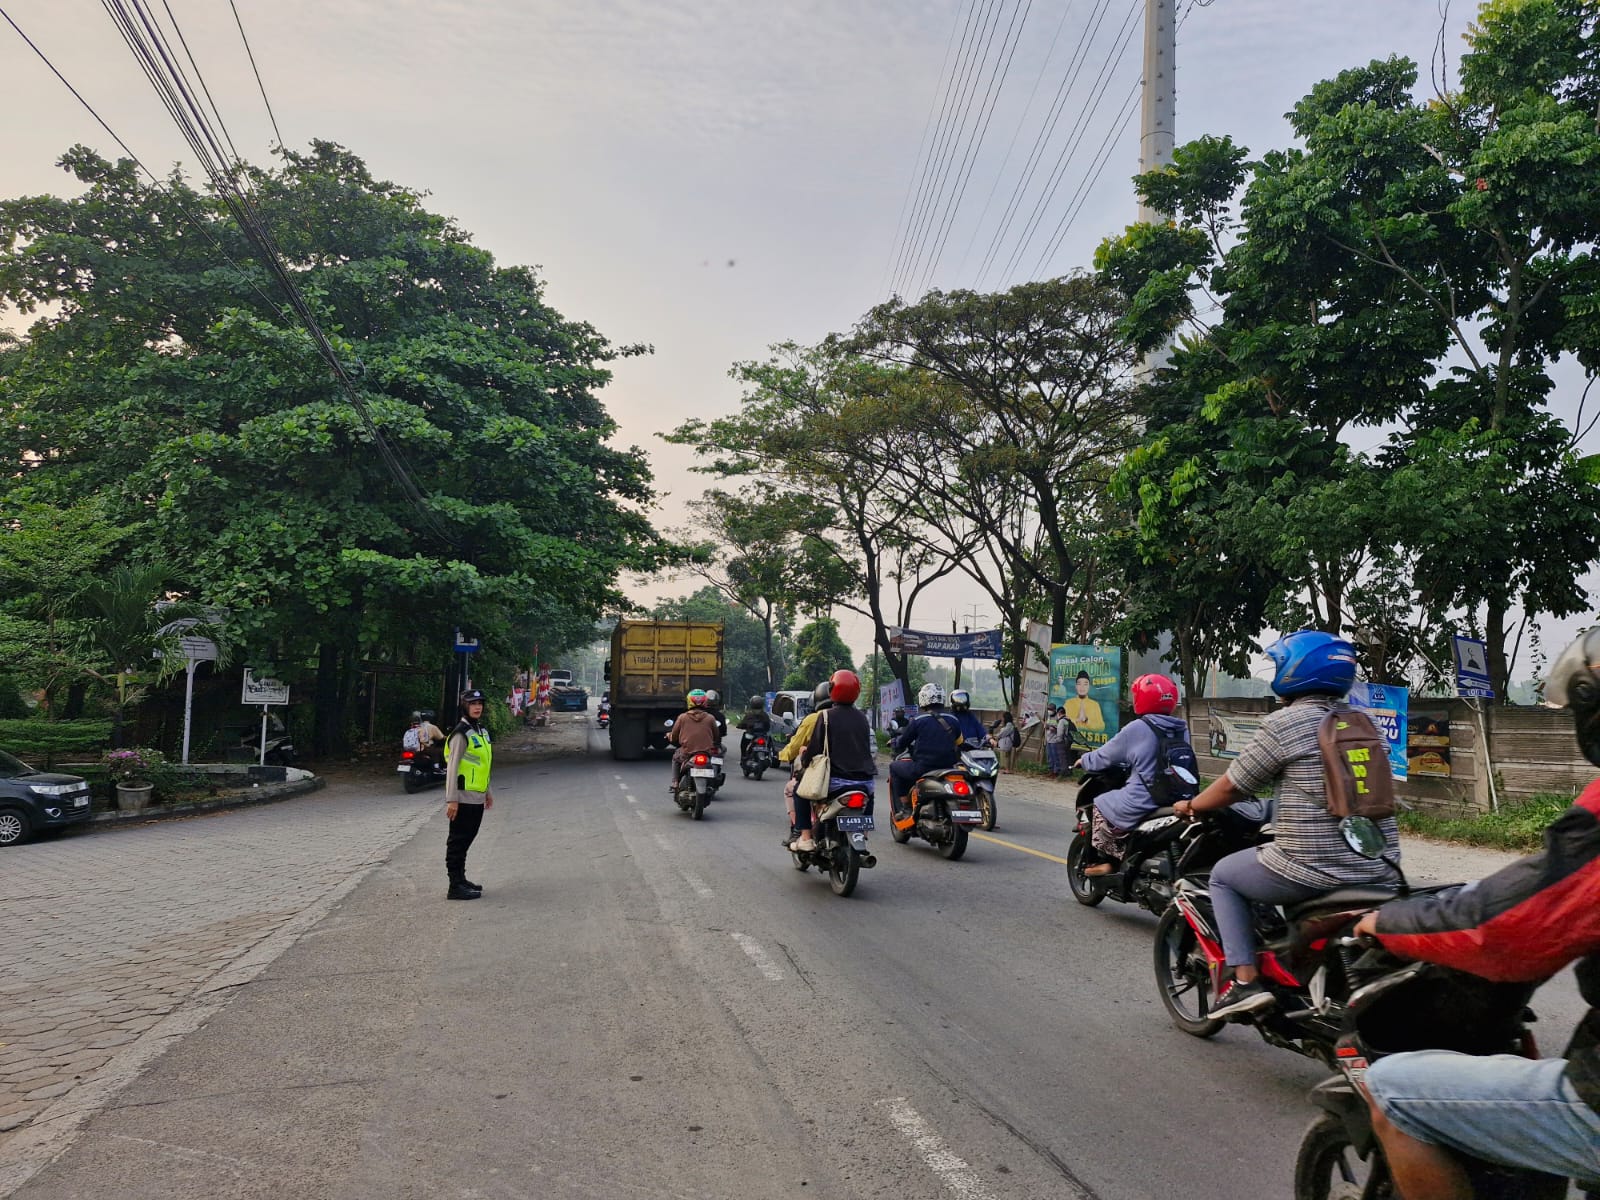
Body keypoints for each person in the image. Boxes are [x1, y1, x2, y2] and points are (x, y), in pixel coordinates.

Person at [1349, 627, 1600, 1198]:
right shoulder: (1356, 731)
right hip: (1374, 865)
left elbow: (1503, 927)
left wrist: (1388, 922)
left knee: (1391, 1091)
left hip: (1331, 876)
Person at [1171, 630, 1402, 1020]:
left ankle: (1245, 982)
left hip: (1313, 867)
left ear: (1294, 671)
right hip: (1381, 865)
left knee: (1224, 876)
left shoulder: (1286, 723)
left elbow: (1233, 786)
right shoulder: (1364, 722)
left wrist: (1192, 805)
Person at [1074, 674, 1190, 876]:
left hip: (1145, 798)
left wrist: (1084, 760)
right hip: (1180, 795)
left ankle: (1107, 860)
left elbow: (1105, 755)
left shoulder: (1138, 728)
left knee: (1100, 803)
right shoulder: (1181, 728)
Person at [791, 669, 878, 849]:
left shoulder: (826, 716)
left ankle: (805, 838)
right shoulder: (863, 718)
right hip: (865, 782)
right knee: (869, 796)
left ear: (832, 689)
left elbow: (815, 748)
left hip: (836, 782)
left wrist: (804, 758)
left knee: (799, 792)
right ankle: (863, 831)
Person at [444, 689, 496, 900]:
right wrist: (452, 799)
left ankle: (461, 879)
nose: (477, 707)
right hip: (463, 797)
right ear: (464, 706)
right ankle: (455, 886)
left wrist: (488, 791)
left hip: (477, 796)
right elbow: (452, 767)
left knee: (467, 839)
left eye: (480, 703)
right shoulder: (460, 734)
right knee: (457, 842)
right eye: (473, 703)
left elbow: (484, 764)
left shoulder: (481, 731)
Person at [889, 683, 964, 818]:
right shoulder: (954, 720)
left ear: (923, 699)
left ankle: (905, 807)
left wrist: (895, 742)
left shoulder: (918, 720)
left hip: (923, 768)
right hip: (948, 768)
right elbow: (960, 742)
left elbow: (903, 741)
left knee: (894, 767)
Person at [779, 680, 834, 850]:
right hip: (854, 774)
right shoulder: (854, 717)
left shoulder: (814, 719)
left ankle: (801, 832)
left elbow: (797, 747)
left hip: (821, 773)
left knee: (794, 789)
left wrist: (783, 755)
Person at [667, 690, 719, 793]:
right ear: (705, 702)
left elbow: (674, 736)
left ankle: (675, 782)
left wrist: (670, 736)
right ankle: (711, 784)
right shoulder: (710, 718)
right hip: (706, 753)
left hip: (687, 753)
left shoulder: (682, 717)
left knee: (675, 758)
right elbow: (716, 736)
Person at [1060, 670, 1106, 736]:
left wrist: (1087, 720)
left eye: (1085, 684)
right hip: (1071, 740)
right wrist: (1076, 720)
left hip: (1089, 741)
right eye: (1079, 684)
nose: (1082, 687)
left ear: (1089, 686)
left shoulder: (1095, 705)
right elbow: (1061, 721)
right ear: (1076, 686)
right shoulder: (1068, 703)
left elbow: (1101, 727)